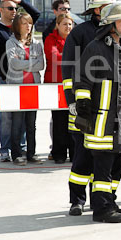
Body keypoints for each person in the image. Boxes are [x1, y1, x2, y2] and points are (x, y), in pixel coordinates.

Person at [74, 1, 121, 223]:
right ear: (110, 24)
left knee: (119, 163)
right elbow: (83, 80)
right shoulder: (95, 47)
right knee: (103, 165)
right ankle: (101, 210)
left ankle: (109, 201)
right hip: (102, 119)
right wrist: (83, 106)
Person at [62, 0, 121, 216]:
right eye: (105, 6)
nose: (109, 10)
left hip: (108, 112)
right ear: (95, 9)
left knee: (107, 159)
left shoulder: (116, 33)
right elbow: (69, 72)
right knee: (83, 156)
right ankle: (77, 200)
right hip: (84, 107)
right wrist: (74, 103)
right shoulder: (80, 33)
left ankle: (105, 201)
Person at [0, 0, 40, 162]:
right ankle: (6, 150)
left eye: (15, 9)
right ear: (1, 10)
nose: (14, 11)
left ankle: (23, 148)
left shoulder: (22, 28)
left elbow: (35, 15)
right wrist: (7, 74)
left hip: (26, 81)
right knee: (7, 118)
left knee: (26, 119)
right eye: (10, 8)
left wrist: (21, 2)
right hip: (6, 79)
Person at [6, 13, 44, 165]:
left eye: (30, 23)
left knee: (31, 123)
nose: (28, 26)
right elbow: (13, 64)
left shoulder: (36, 43)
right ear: (17, 25)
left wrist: (26, 62)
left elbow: (41, 65)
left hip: (33, 88)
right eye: (24, 23)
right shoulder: (11, 43)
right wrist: (32, 62)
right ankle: (16, 154)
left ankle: (31, 154)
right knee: (17, 123)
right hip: (16, 87)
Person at [44, 14, 75, 164]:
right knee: (59, 121)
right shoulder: (50, 39)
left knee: (73, 119)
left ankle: (75, 153)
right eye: (64, 24)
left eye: (70, 24)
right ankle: (59, 153)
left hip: (73, 84)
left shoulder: (75, 39)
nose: (68, 27)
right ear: (57, 25)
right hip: (55, 84)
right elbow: (54, 58)